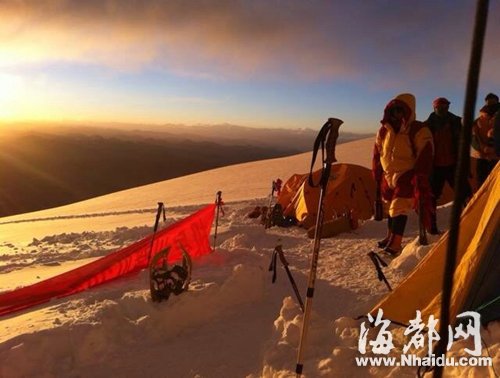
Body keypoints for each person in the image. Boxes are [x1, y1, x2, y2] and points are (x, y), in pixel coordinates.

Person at [372, 93, 434, 255]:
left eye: (400, 110)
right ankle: (389, 236)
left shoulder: (418, 129)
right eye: (393, 110)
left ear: (408, 110)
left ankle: (396, 243)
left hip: (408, 174)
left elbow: (426, 152)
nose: (396, 114)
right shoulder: (384, 130)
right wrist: (377, 172)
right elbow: (377, 152)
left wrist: (420, 175)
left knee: (398, 207)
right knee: (390, 208)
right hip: (388, 174)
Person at [426, 97, 465, 234]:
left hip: (453, 165)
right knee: (431, 197)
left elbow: (462, 143)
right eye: (440, 107)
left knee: (465, 192)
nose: (443, 109)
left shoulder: (455, 122)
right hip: (435, 168)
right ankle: (432, 227)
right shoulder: (427, 126)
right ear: (434, 108)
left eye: (445, 107)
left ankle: (471, 220)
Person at [471, 94, 500, 187]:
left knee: (496, 184)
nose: (491, 104)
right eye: (488, 102)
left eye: (493, 102)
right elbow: (473, 138)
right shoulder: (478, 120)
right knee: (481, 183)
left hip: (498, 158)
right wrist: (483, 148)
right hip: (482, 157)